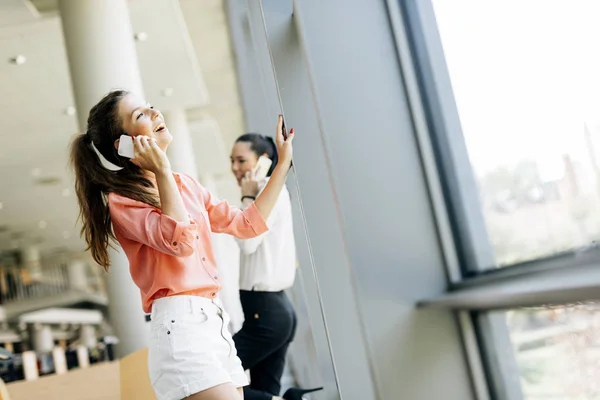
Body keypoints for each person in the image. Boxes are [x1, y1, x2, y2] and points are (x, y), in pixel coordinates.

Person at [69, 89, 294, 400]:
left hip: (214, 324)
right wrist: (160, 169)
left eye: (150, 107)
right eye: (140, 115)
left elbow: (246, 225)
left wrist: (282, 165)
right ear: (124, 143)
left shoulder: (185, 184)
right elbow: (181, 242)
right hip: (181, 329)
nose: (155, 113)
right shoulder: (122, 202)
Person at [230, 134, 322, 400]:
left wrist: (246, 198)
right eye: (232, 161)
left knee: (205, 383)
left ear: (263, 162)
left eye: (242, 160)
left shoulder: (265, 193)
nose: (235, 168)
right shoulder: (274, 192)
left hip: (267, 315)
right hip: (273, 312)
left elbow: (247, 243)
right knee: (263, 391)